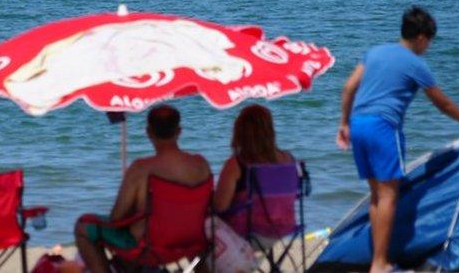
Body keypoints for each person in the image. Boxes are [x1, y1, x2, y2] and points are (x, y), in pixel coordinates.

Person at [336, 6, 459, 273]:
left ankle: (378, 259)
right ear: (421, 38)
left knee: (377, 195)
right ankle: (380, 264)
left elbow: (349, 87)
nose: (427, 47)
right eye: (429, 41)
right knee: (389, 196)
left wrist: (344, 123)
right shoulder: (415, 64)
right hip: (383, 127)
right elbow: (442, 103)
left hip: (359, 124)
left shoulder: (374, 52)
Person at [74, 105, 211, 273]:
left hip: (149, 249)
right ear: (179, 131)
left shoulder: (141, 169)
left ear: (148, 133)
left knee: (83, 227)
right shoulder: (201, 164)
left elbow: (116, 218)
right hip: (191, 244)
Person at [214, 104, 295, 236]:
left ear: (240, 131)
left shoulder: (237, 164)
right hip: (284, 228)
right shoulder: (289, 159)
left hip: (247, 231)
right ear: (270, 130)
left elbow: (220, 206)